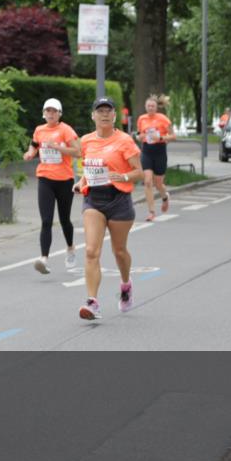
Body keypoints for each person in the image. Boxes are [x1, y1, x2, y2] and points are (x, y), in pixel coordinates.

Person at [72, 97, 143, 321]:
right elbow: (89, 169)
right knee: (91, 251)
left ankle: (125, 285)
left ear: (114, 116)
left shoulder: (124, 141)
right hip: (94, 199)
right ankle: (92, 302)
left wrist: (122, 175)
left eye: (108, 111)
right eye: (99, 111)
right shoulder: (85, 141)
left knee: (119, 252)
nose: (104, 114)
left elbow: (139, 172)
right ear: (93, 115)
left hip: (119, 198)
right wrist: (81, 182)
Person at [22, 97, 80, 273]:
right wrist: (30, 153)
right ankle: (44, 259)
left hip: (64, 180)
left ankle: (70, 248)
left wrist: (59, 148)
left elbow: (78, 152)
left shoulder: (66, 130)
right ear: (44, 113)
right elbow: (34, 144)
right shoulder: (39, 130)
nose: (51, 114)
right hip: (45, 179)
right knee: (46, 220)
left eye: (54, 111)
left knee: (64, 220)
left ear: (59, 114)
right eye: (48, 111)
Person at [135, 95, 175, 221]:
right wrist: (139, 137)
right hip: (147, 151)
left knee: (158, 184)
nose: (150, 108)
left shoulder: (163, 119)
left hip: (160, 152)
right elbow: (138, 134)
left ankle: (165, 197)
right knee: (147, 181)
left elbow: (173, 136)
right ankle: (151, 212)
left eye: (152, 106)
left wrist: (162, 138)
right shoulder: (141, 119)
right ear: (145, 107)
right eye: (148, 106)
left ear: (156, 107)